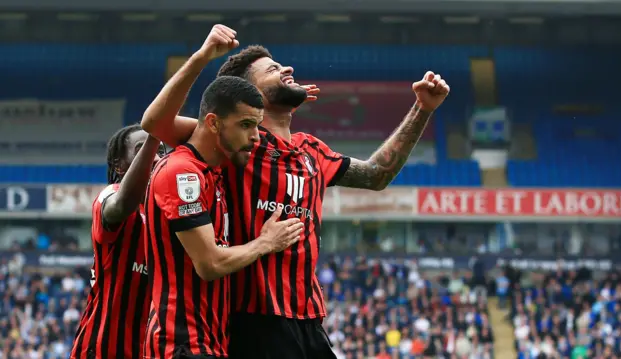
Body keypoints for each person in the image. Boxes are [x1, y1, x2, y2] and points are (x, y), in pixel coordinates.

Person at [141, 24, 450, 359]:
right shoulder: (236, 143)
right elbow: (157, 124)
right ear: (248, 93)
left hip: (309, 321)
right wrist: (203, 57)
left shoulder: (311, 151)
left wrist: (423, 109)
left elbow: (377, 174)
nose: (288, 69)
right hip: (255, 321)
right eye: (273, 69)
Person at [143, 73, 305, 359]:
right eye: (245, 125)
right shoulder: (182, 172)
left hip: (212, 342)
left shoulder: (215, 172)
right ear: (213, 123)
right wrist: (265, 242)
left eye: (256, 125)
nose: (255, 136)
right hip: (181, 344)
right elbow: (210, 264)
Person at [70, 125, 162, 359]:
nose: (157, 157)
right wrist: (157, 129)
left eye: (162, 150)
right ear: (119, 165)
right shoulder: (109, 197)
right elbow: (120, 204)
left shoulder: (170, 213)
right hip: (103, 349)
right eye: (143, 149)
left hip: (150, 350)